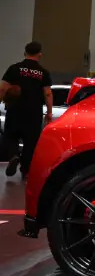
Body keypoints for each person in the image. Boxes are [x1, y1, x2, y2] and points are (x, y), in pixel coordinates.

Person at [0, 42, 53, 178]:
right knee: (31, 142)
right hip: (33, 113)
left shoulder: (14, 69)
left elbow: (3, 88)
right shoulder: (43, 73)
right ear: (39, 54)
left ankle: (14, 155)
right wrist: (49, 112)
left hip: (14, 109)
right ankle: (25, 169)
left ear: (25, 53)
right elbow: (47, 93)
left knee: (10, 136)